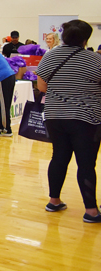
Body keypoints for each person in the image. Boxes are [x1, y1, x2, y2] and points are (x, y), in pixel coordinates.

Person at [36, 20, 101, 223]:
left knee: (59, 157)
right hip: (87, 118)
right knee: (86, 163)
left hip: (55, 117)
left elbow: (42, 87)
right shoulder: (94, 59)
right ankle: (91, 211)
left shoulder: (51, 56)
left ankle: (53, 201)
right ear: (85, 38)